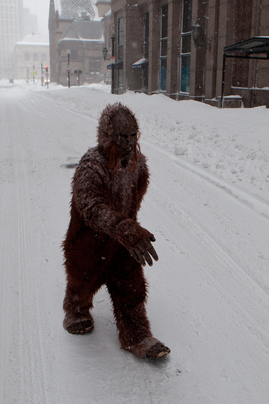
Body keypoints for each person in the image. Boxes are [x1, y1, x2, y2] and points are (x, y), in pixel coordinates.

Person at [61, 103, 170, 359]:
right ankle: (75, 309)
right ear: (108, 135)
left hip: (122, 244)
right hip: (88, 242)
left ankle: (137, 336)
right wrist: (122, 227)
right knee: (82, 281)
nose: (129, 142)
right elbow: (91, 206)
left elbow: (134, 200)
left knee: (131, 288)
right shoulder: (91, 166)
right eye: (122, 136)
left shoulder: (138, 166)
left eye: (133, 135)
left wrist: (128, 232)